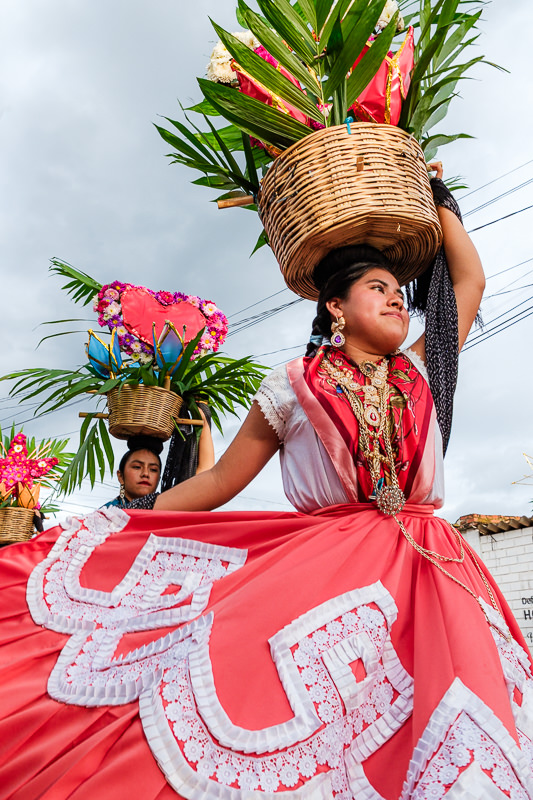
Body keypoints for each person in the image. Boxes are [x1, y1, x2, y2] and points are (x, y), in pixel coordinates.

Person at [1, 167, 532, 800]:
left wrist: (439, 198)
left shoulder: (421, 367)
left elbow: (468, 280)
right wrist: (126, 521)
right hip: (333, 575)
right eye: (377, 287)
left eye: (398, 290)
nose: (396, 299)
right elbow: (223, 480)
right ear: (335, 306)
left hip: (439, 571)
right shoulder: (292, 386)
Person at [103, 409, 215, 509]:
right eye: (137, 467)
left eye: (153, 469)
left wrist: (203, 424)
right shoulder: (105, 515)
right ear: (121, 476)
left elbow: (205, 481)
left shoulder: (165, 508)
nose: (145, 474)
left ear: (159, 477)